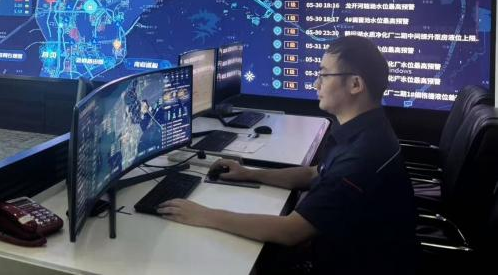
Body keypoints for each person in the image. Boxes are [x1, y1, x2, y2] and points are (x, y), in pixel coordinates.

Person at [157, 35, 418, 275]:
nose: (316, 84)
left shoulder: (361, 159)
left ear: (355, 84)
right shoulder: (366, 128)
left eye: (324, 75)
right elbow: (315, 173)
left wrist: (205, 215)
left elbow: (291, 231)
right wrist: (249, 174)